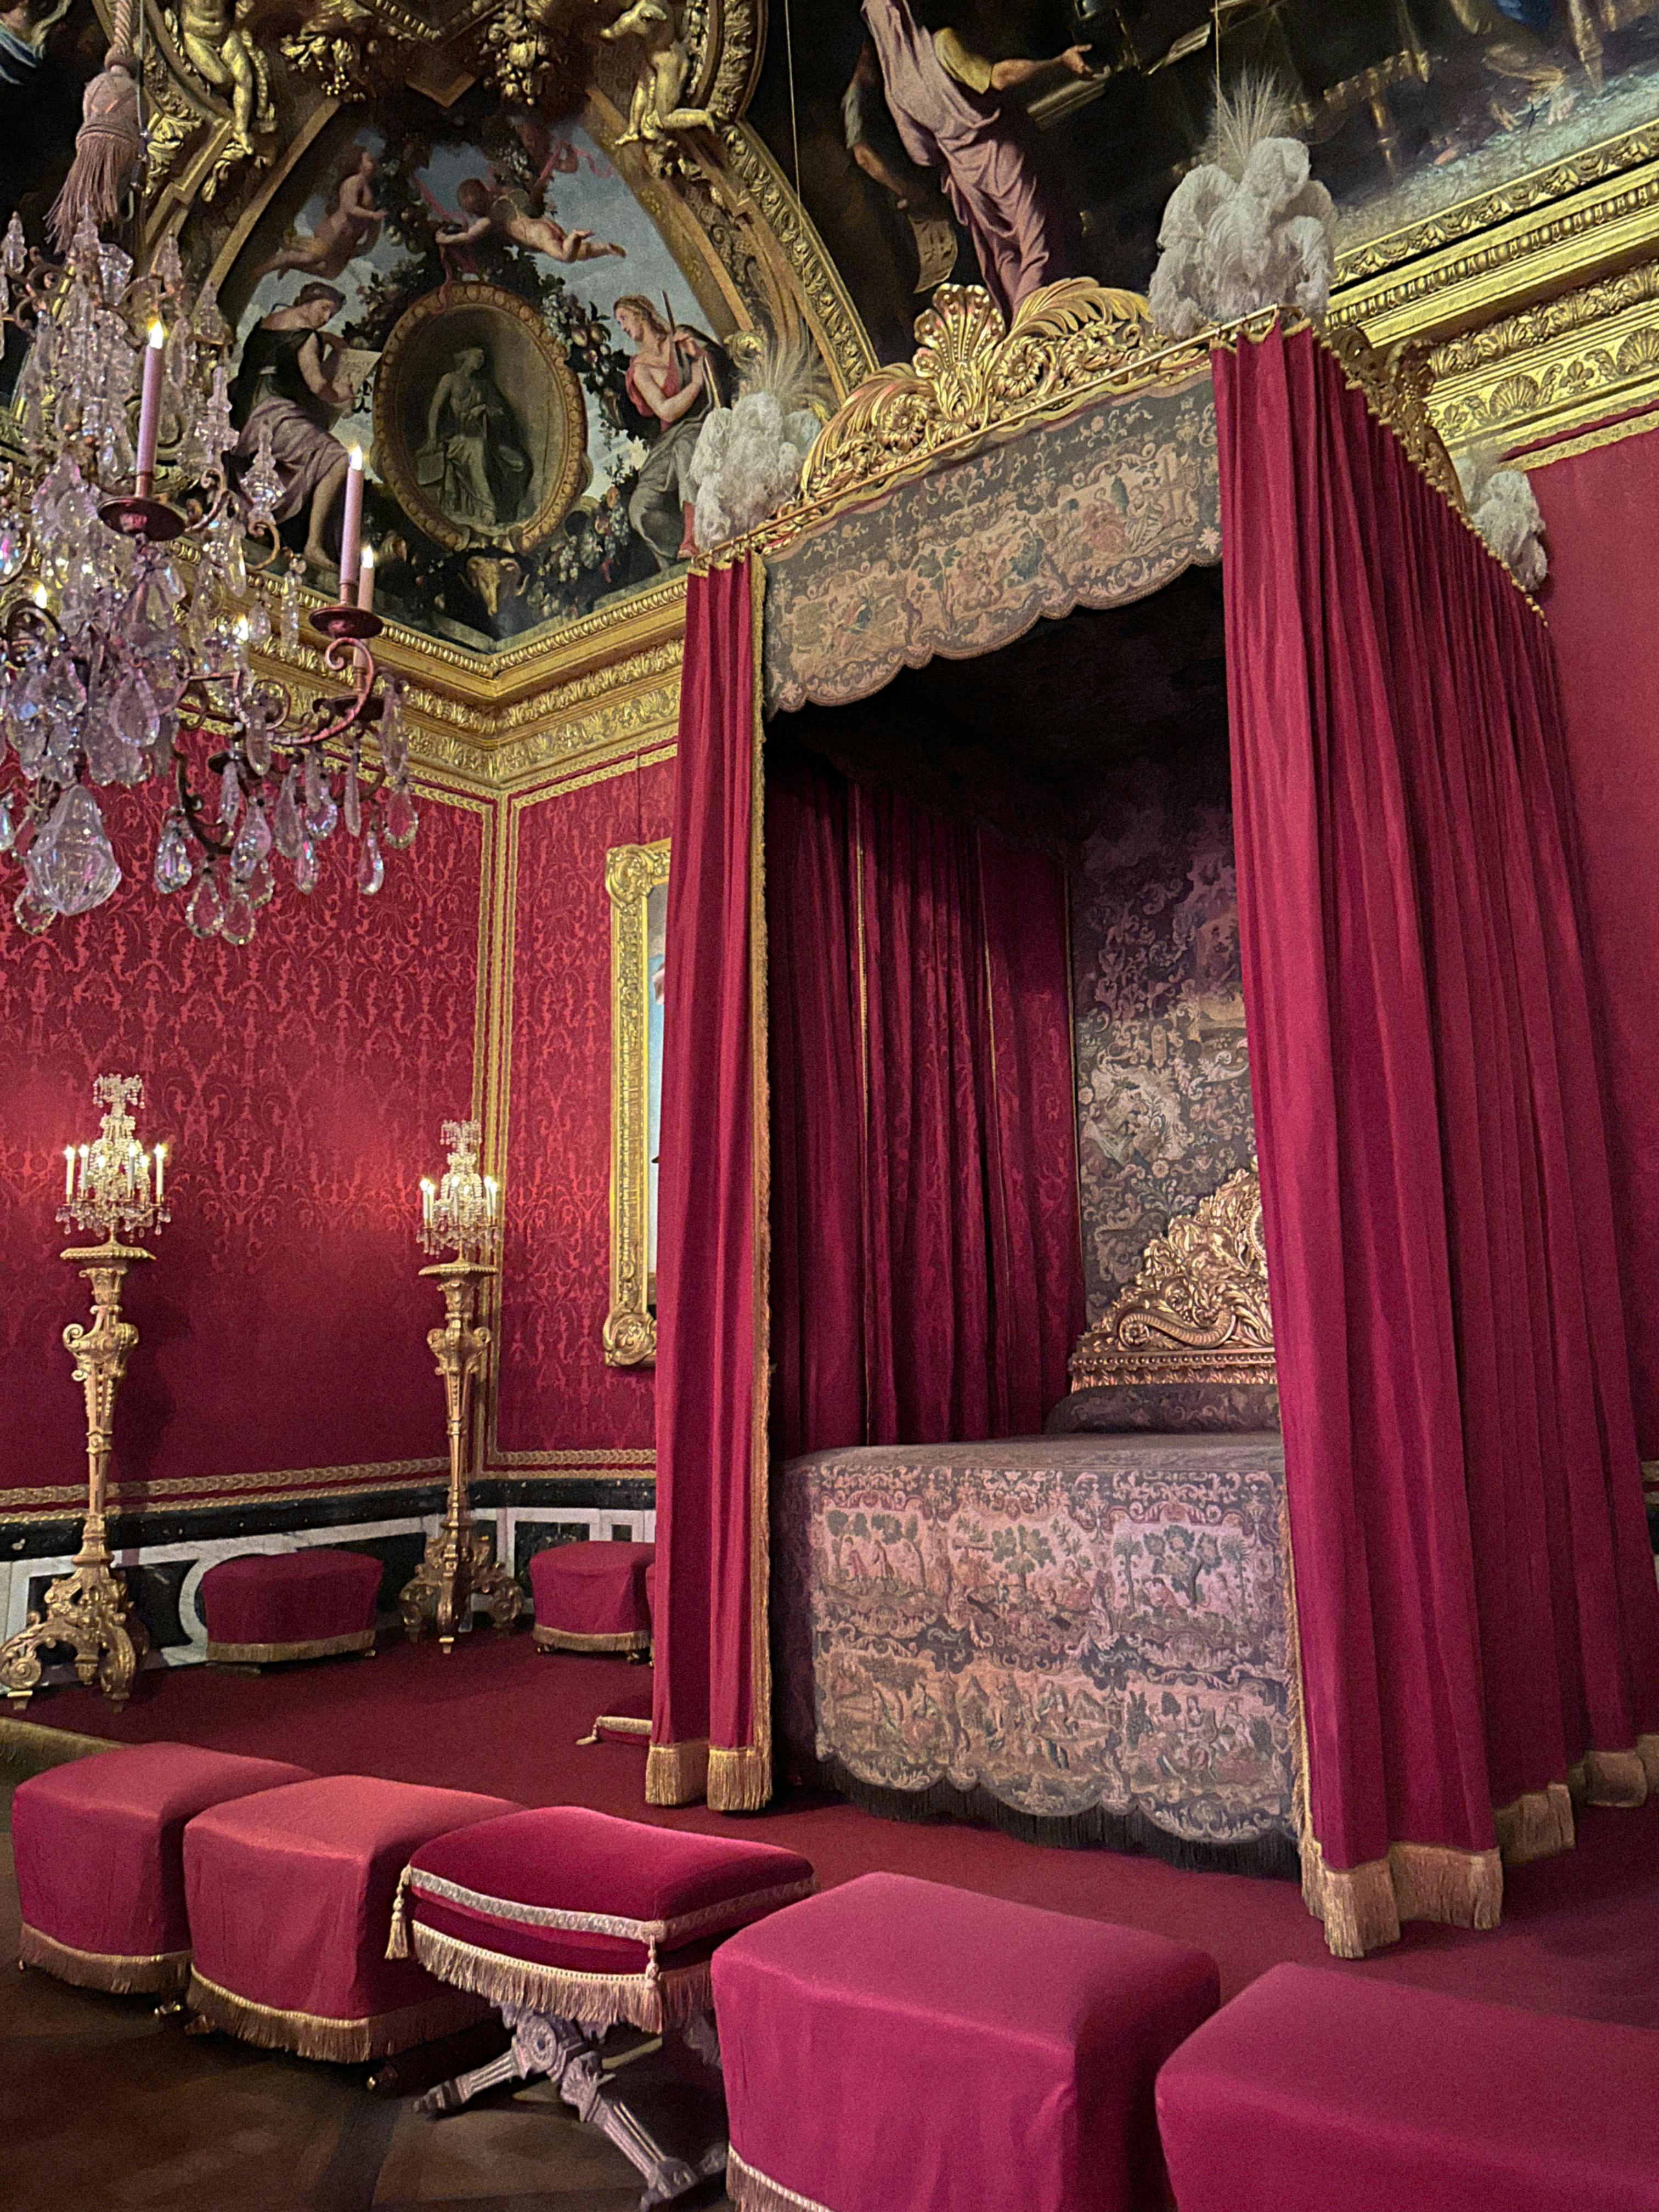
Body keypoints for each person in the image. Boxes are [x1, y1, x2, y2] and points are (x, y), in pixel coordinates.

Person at [855, 0, 1092, 320]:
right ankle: (1030, 336)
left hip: (965, 177)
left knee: (1007, 256)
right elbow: (998, 77)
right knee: (1041, 248)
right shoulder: (942, 45)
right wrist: (1058, 62)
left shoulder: (897, 87)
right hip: (1000, 156)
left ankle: (1023, 336)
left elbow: (920, 150)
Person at [230, 282, 358, 573]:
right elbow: (317, 385)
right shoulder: (307, 337)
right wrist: (342, 394)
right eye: (324, 308)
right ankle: (313, 545)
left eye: (332, 314)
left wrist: (326, 339)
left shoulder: (266, 323)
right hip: (271, 415)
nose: (326, 318)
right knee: (338, 457)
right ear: (309, 300)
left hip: (243, 406)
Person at [614, 294, 726, 567]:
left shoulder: (680, 339)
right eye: (619, 324)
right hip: (670, 436)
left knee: (686, 448)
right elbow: (665, 411)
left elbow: (716, 368)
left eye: (624, 319)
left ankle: (695, 535)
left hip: (700, 423)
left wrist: (699, 356)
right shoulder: (639, 370)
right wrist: (695, 384)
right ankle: (674, 554)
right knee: (640, 507)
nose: (623, 328)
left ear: (640, 313)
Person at [415, 345, 531, 534]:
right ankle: (487, 507)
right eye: (477, 357)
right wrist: (433, 438)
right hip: (456, 439)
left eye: (483, 359)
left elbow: (501, 412)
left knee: (519, 462)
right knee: (475, 449)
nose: (480, 361)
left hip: (485, 438)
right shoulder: (450, 380)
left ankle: (509, 507)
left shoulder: (483, 385)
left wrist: (484, 408)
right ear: (467, 358)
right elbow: (435, 409)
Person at [256, 145, 383, 284]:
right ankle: (269, 267)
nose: (374, 164)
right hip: (334, 233)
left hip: (344, 245)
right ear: (357, 163)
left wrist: (356, 246)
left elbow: (368, 243)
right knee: (309, 259)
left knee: (330, 273)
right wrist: (372, 215)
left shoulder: (367, 188)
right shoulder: (354, 181)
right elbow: (349, 208)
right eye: (369, 160)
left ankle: (290, 262)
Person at [434, 172, 625, 265]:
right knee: (578, 253)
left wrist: (444, 239)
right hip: (544, 225)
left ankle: (576, 235)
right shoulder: (505, 197)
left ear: (473, 210)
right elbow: (525, 198)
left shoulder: (490, 220)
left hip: (535, 234)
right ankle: (605, 248)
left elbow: (467, 236)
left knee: (566, 257)